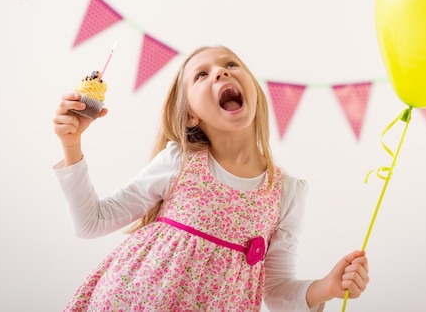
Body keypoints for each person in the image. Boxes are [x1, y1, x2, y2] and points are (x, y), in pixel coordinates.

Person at [52, 45, 369, 311]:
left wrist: (327, 286)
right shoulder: (180, 161)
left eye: (231, 64)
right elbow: (90, 223)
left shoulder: (286, 192)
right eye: (201, 75)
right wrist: (71, 145)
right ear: (191, 113)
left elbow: (275, 292)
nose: (221, 72)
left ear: (254, 92)